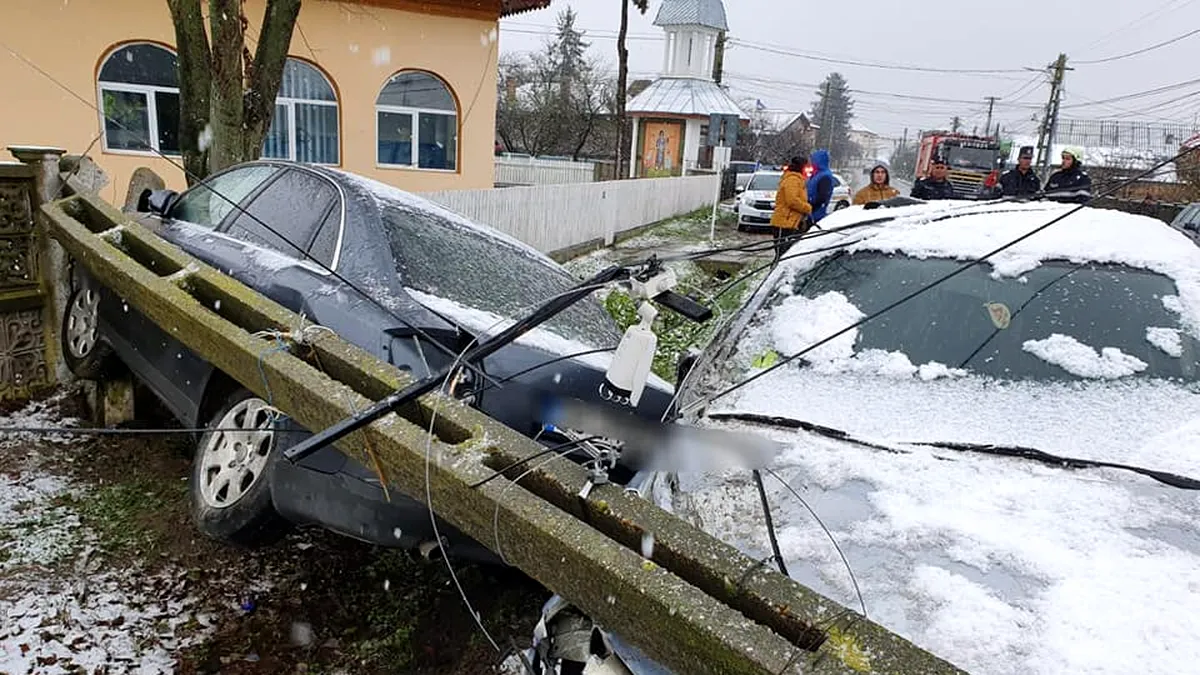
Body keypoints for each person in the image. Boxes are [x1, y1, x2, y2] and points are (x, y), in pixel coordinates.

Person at [769, 156, 813, 262]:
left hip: (791, 222)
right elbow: (792, 201)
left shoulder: (798, 180)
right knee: (782, 255)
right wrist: (807, 208)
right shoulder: (792, 180)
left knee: (786, 255)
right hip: (784, 223)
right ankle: (775, 276)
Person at [806, 149, 835, 222]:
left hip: (817, 215)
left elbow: (822, 197)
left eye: (813, 160)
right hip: (811, 213)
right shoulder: (816, 174)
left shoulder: (825, 176)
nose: (811, 163)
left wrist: (811, 207)